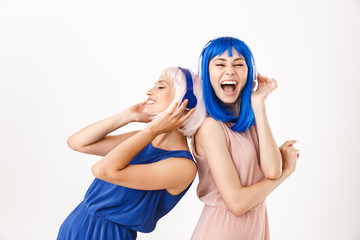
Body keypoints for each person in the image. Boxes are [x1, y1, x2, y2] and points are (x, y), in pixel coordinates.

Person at [57, 67, 206, 240]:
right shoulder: (142, 139)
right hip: (77, 223)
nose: (149, 92)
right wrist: (128, 115)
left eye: (160, 87)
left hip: (107, 235)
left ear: (187, 101)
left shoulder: (182, 166)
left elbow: (103, 170)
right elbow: (76, 143)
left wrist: (152, 129)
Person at [190, 37, 300, 240]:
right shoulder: (209, 127)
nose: (230, 70)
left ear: (249, 72)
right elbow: (237, 203)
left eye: (239, 64)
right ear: (207, 74)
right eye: (220, 64)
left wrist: (259, 103)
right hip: (221, 231)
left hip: (254, 229)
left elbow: (272, 170)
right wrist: (287, 172)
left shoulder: (250, 123)